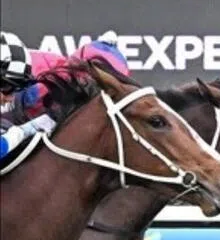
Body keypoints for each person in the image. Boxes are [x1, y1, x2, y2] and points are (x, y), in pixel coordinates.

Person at [1, 30, 129, 160]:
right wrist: (20, 133)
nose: (10, 96)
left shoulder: (32, 68)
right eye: (7, 87)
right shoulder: (38, 71)